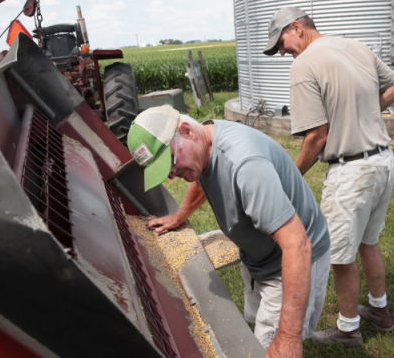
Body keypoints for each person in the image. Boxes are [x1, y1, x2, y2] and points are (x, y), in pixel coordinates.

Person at [127, 105, 330, 357]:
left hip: (290, 262)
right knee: (259, 330)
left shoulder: (246, 165)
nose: (171, 174)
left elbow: (297, 245)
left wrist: (288, 337)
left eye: (170, 162)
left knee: (276, 347)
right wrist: (180, 215)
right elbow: (201, 176)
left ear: (187, 130)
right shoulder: (205, 144)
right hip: (260, 256)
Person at [262, 7, 394, 348]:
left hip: (352, 173)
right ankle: (380, 311)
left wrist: (291, 176)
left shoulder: (305, 64)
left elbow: (317, 137)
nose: (282, 52)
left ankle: (349, 328)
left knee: (340, 257)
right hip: (384, 162)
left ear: (297, 28)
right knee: (368, 242)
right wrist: (364, 114)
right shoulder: (356, 46)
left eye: (280, 43)